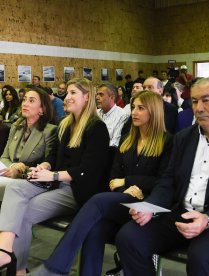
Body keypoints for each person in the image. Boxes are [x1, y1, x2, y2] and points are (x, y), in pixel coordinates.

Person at [115, 77, 209, 275]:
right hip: (183, 214)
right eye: (195, 101)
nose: (199, 108)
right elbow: (168, 181)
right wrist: (149, 208)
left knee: (201, 256)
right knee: (128, 237)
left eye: (206, 100)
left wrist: (208, 219)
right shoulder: (184, 137)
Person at [0, 78, 112, 276]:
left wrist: (53, 174)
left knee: (23, 211)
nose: (67, 97)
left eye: (73, 93)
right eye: (68, 93)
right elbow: (54, 158)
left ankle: (17, 269)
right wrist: (45, 166)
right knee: (14, 189)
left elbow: (88, 171)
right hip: (56, 182)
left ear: (87, 97)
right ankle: (3, 252)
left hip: (76, 189)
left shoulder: (96, 128)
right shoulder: (65, 124)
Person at [32, 90, 173, 275]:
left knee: (98, 203)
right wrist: (127, 188)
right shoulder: (127, 140)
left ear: (154, 112)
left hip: (148, 206)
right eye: (134, 107)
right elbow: (114, 178)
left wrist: (129, 181)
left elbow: (164, 181)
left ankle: (56, 266)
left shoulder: (168, 141)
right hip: (124, 200)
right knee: (94, 229)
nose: (134, 112)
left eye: (141, 108)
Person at [0, 87, 57, 268]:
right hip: (9, 176)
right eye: (24, 100)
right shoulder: (16, 127)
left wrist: (21, 170)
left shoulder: (50, 131)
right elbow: (5, 157)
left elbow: (49, 163)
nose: (25, 103)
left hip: (29, 181)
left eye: (31, 101)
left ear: (42, 109)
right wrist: (12, 168)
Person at [96, 83, 129, 147]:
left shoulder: (122, 115)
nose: (97, 97)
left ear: (112, 97)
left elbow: (115, 143)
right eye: (97, 94)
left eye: (101, 94)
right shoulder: (96, 113)